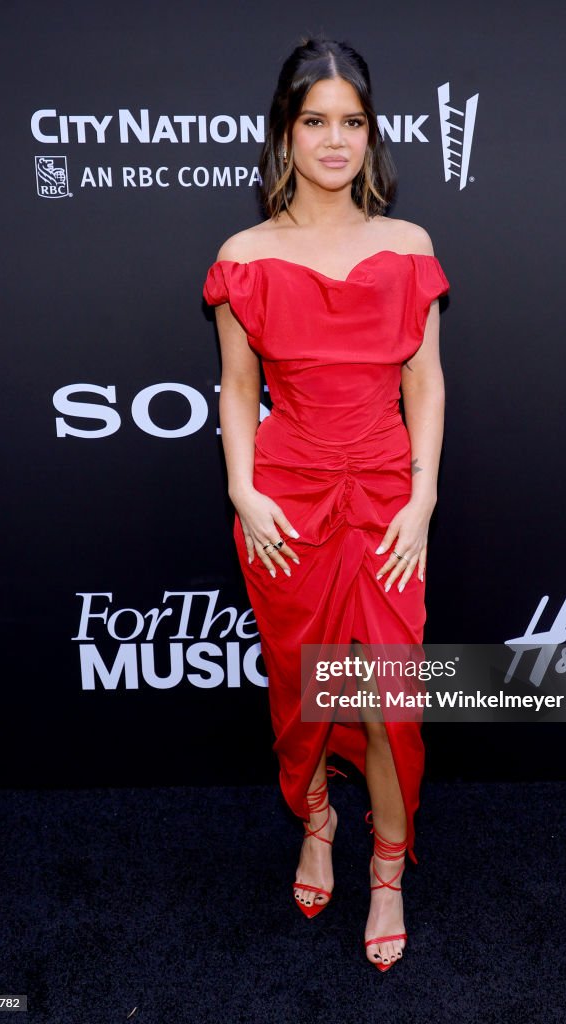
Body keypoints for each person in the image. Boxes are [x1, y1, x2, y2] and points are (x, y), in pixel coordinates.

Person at [202, 36, 448, 972]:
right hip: (288, 501)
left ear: (370, 134)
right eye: (316, 121)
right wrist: (243, 489)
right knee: (304, 689)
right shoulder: (245, 256)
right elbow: (235, 388)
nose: (335, 140)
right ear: (286, 132)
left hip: (388, 498)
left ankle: (387, 867)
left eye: (353, 122)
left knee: (389, 699)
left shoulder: (409, 246)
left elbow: (424, 380)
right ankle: (317, 817)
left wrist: (423, 497)